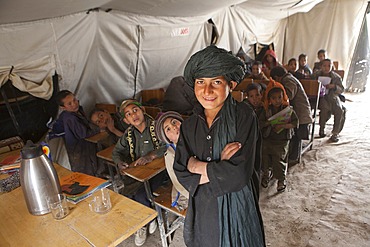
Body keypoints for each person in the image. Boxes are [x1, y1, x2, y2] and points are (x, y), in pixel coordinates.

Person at [174, 45, 265, 247]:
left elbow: (239, 173)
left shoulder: (243, 116)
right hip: (203, 207)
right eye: (200, 82)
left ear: (230, 84)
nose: (207, 91)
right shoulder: (189, 125)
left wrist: (198, 167)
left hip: (238, 206)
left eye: (216, 81)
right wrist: (220, 166)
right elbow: (180, 169)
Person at [111, 99, 167, 246]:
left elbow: (169, 144)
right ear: (126, 120)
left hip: (161, 171)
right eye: (128, 114)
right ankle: (147, 218)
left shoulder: (157, 126)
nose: (133, 115)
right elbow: (116, 151)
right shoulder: (129, 134)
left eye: (135, 110)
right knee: (128, 194)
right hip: (140, 172)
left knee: (141, 194)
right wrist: (119, 162)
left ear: (142, 110)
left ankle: (144, 222)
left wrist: (151, 156)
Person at [51, 90, 103, 176]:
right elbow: (83, 134)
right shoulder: (69, 118)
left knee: (91, 167)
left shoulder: (77, 111)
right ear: (63, 107)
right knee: (85, 171)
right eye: (69, 104)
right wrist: (98, 129)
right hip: (79, 150)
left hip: (83, 146)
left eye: (74, 100)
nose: (74, 104)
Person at [259, 79, 298, 191]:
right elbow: (260, 123)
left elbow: (295, 122)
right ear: (269, 99)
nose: (277, 100)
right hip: (268, 139)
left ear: (283, 97)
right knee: (265, 157)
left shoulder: (287, 110)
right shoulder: (266, 110)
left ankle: (281, 179)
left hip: (282, 140)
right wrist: (269, 122)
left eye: (279, 97)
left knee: (278, 159)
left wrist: (284, 126)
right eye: (274, 98)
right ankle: (266, 174)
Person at [270, 66, 312, 164]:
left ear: (277, 77)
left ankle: (293, 157)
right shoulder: (289, 78)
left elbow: (288, 95)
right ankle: (292, 155)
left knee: (295, 136)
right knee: (294, 135)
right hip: (299, 112)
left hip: (301, 114)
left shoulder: (288, 80)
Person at [154, 111, 189, 210]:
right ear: (168, 139)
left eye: (174, 122)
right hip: (186, 194)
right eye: (168, 129)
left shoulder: (193, 138)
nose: (174, 127)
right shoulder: (170, 154)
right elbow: (179, 183)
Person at [313, 59, 346, 142]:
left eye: (329, 66)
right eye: (324, 66)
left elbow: (341, 89)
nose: (326, 68)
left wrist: (334, 86)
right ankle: (321, 129)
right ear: (321, 66)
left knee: (339, 110)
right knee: (324, 108)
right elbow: (310, 83)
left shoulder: (336, 77)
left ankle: (335, 133)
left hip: (333, 96)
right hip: (321, 97)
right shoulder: (315, 75)